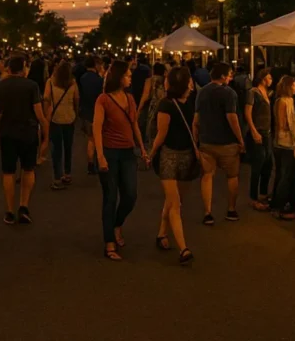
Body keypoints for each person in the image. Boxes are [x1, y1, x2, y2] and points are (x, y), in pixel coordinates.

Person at [93, 61, 149, 261]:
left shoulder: (130, 99)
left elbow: (134, 126)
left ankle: (117, 224)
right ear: (118, 77)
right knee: (110, 197)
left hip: (127, 153)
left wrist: (142, 149)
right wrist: (100, 156)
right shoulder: (103, 99)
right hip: (109, 152)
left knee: (131, 195)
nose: (130, 78)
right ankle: (109, 242)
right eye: (127, 75)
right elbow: (97, 128)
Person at [0, 55, 47, 225]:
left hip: (7, 131)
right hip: (28, 132)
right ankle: (24, 206)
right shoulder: (32, 86)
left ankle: (9, 210)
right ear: (23, 68)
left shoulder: (1, 85)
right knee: (28, 170)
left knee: (8, 171)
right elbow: (38, 112)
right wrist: (45, 129)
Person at [149, 66, 197, 265]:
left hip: (172, 155)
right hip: (182, 155)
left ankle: (162, 233)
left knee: (173, 201)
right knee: (175, 202)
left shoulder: (166, 104)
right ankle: (183, 248)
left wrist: (150, 153)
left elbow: (161, 134)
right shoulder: (189, 102)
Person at [193, 63, 244, 225]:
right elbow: (232, 118)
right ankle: (231, 209)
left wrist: (196, 140)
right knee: (232, 176)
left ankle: (208, 212)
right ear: (223, 76)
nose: (231, 77)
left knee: (207, 176)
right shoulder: (229, 93)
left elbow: (196, 120)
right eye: (229, 74)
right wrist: (240, 139)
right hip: (227, 142)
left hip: (206, 141)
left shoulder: (202, 93)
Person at [45, 60, 79, 190]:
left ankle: (57, 177)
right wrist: (75, 114)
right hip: (69, 118)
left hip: (55, 118)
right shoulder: (73, 83)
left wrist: (45, 115)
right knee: (68, 147)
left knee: (56, 149)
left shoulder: (51, 82)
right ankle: (67, 173)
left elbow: (46, 98)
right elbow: (76, 99)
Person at [271, 75, 295, 220]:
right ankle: (280, 205)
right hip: (285, 143)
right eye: (294, 85)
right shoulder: (283, 102)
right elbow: (282, 124)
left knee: (283, 174)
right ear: (289, 86)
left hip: (282, 143)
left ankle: (279, 203)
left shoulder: (286, 101)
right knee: (285, 175)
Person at [245, 68, 274, 211]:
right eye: (269, 78)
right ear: (263, 79)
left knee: (268, 163)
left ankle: (263, 193)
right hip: (258, 131)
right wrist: (254, 131)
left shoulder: (267, 94)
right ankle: (253, 197)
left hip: (267, 132)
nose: (271, 80)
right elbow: (248, 113)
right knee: (258, 163)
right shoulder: (253, 93)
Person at [77, 56, 104, 175]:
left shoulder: (82, 78)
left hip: (86, 111)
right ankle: (98, 162)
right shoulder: (99, 79)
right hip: (97, 111)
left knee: (90, 139)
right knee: (97, 138)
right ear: (96, 65)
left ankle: (90, 164)